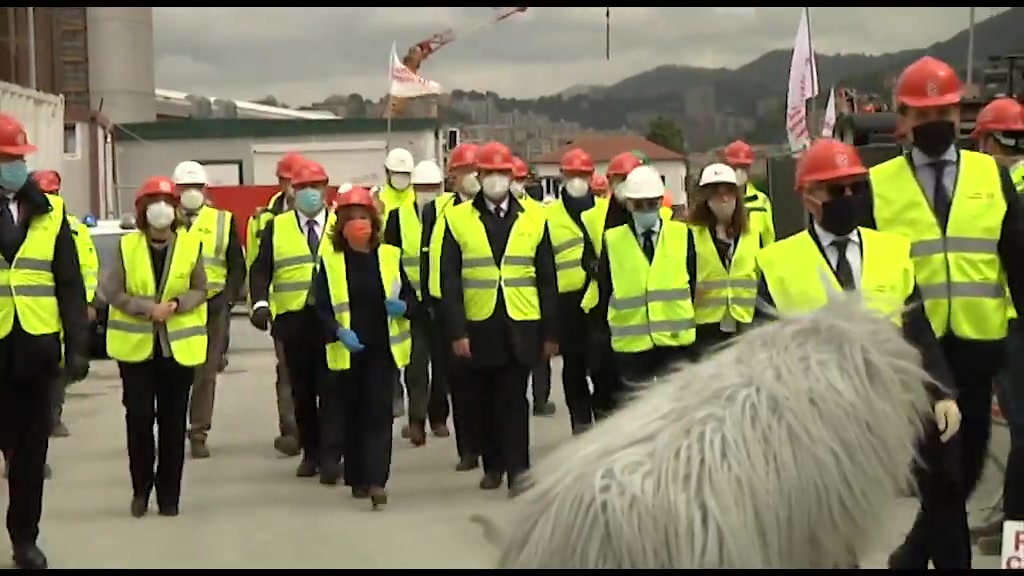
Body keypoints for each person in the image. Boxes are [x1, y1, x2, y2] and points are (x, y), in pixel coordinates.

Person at [757, 137, 964, 568]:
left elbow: (918, 329)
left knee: (945, 487)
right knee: (831, 526)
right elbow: (760, 355)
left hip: (893, 405)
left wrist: (943, 392)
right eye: (837, 190)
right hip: (819, 417)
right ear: (809, 197)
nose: (849, 198)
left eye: (857, 187)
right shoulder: (777, 263)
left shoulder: (892, 250)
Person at [864, 56, 1024, 570]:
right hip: (915, 355)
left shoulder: (991, 177)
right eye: (922, 113)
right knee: (942, 472)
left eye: (944, 112)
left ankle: (911, 556)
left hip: (978, 349)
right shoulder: (878, 184)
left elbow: (1017, 258)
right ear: (903, 117)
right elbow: (865, 266)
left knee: (967, 467)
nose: (934, 123)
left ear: (959, 114)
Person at [441, 141, 559, 493]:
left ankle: (518, 470)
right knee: (484, 398)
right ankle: (493, 464)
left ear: (512, 175)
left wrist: (551, 334)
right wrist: (457, 330)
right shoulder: (457, 218)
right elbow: (450, 280)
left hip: (522, 322)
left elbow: (547, 278)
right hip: (480, 322)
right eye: (489, 173)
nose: (496, 179)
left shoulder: (536, 217)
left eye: (502, 173)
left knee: (514, 398)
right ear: (478, 176)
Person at [0, 114, 89, 568]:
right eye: (6, 158)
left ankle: (24, 539)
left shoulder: (51, 216)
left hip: (35, 351)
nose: (14, 166)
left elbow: (69, 284)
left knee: (31, 455)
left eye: (19, 158)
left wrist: (78, 345)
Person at [103, 175, 208, 520]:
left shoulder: (191, 245)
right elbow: (113, 293)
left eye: (166, 201)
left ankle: (169, 497)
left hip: (177, 350)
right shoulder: (126, 247)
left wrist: (177, 304)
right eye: (154, 202)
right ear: (142, 211)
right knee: (139, 420)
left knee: (173, 424)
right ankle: (140, 490)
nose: (161, 209)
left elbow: (200, 288)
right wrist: (148, 309)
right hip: (137, 350)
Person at [313, 186, 417, 509]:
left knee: (379, 415)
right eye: (351, 218)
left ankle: (377, 481)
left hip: (382, 350)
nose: (359, 224)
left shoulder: (389, 257)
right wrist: (337, 331)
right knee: (352, 415)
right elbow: (319, 308)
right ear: (341, 225)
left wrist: (404, 307)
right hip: (347, 351)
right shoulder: (331, 263)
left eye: (364, 217)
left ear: (374, 222)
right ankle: (357, 477)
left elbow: (414, 301)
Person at [249, 160, 336, 482]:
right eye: (303, 188)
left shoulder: (340, 223)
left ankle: (331, 455)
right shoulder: (278, 226)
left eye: (316, 186)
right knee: (301, 390)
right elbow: (261, 268)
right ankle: (310, 452)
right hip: (293, 319)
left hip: (332, 319)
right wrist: (259, 303)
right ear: (291, 191)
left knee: (332, 390)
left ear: (326, 188)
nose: (310, 193)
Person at [966, 97, 1024, 553]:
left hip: (1013, 323)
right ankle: (1011, 519)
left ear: (988, 141)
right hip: (1010, 320)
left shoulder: (1003, 185)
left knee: (1021, 428)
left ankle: (1015, 534)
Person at [593, 164, 696, 385]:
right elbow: (605, 290)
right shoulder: (612, 241)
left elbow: (693, 281)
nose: (647, 210)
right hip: (632, 347)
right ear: (628, 204)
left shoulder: (682, 235)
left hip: (675, 343)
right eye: (639, 205)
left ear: (661, 201)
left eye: (652, 204)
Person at [173, 161, 245, 460]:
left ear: (206, 190)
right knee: (176, 372)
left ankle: (199, 431)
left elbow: (236, 266)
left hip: (213, 307)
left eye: (197, 188)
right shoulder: (163, 220)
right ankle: (173, 429)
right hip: (174, 308)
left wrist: (227, 300)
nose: (191, 193)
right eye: (185, 188)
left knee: (206, 373)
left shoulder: (222, 221)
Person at [421, 143, 482, 471]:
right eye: (465, 171)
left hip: (488, 307)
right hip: (450, 310)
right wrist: (433, 302)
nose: (471, 177)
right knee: (459, 382)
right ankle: (468, 449)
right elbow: (430, 258)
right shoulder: (438, 211)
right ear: (453, 176)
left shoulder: (496, 207)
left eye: (476, 170)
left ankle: (493, 446)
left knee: (490, 383)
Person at [31, 169, 98, 440]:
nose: (50, 198)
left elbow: (86, 267)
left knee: (59, 365)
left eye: (53, 193)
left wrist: (87, 301)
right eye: (45, 193)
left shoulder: (72, 228)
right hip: (31, 310)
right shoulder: (19, 222)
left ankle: (53, 416)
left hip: (62, 309)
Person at [246, 151, 304, 457]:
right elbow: (258, 265)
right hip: (284, 311)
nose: (296, 188)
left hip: (323, 312)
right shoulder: (266, 220)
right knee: (288, 372)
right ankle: (292, 430)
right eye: (289, 181)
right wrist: (258, 302)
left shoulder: (331, 217)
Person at [547, 148, 608, 433]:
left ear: (591, 176)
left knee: (602, 364)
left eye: (582, 175)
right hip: (567, 301)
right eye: (571, 175)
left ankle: (603, 416)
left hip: (598, 297)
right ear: (562, 177)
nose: (576, 180)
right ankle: (581, 421)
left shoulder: (604, 211)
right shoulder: (548, 217)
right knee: (573, 366)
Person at [380, 148, 429, 446]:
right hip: (404, 297)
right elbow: (388, 255)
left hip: (433, 299)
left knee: (429, 365)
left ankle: (429, 415)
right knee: (411, 360)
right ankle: (412, 415)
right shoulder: (382, 203)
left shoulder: (434, 208)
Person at [688, 163, 757, 353]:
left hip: (744, 322)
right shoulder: (691, 234)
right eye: (717, 193)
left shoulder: (750, 233)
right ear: (706, 198)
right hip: (706, 325)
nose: (725, 198)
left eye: (729, 192)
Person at [407, 159, 451, 440]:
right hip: (411, 303)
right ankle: (416, 420)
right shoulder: (399, 216)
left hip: (439, 301)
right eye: (422, 188)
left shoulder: (448, 213)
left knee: (443, 367)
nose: (428, 192)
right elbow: (389, 256)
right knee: (415, 366)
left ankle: (438, 417)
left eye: (433, 188)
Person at [512, 155, 555, 417]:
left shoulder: (538, 213)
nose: (516, 184)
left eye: (519, 179)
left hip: (533, 297)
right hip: (508, 301)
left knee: (540, 357)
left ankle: (540, 399)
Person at [723, 140, 775, 248]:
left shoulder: (761, 201)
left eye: (743, 167)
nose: (739, 171)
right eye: (735, 167)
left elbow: (768, 239)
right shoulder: (717, 200)